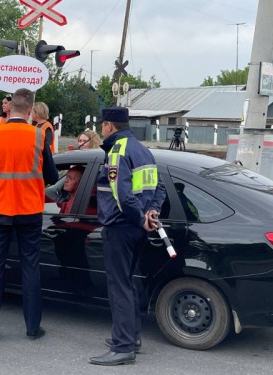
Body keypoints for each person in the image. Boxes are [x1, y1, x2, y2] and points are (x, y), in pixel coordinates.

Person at [0, 88, 59, 341]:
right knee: (30, 266)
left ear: (9, 107)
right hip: (29, 209)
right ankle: (33, 328)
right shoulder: (38, 136)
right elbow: (52, 177)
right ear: (31, 110)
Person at [89, 107, 166, 366]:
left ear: (109, 125)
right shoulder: (144, 150)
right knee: (128, 283)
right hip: (137, 229)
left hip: (121, 227)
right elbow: (159, 187)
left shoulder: (118, 151)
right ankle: (131, 338)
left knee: (118, 286)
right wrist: (150, 213)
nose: (101, 129)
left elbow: (122, 195)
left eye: (103, 125)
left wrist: (138, 217)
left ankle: (122, 347)